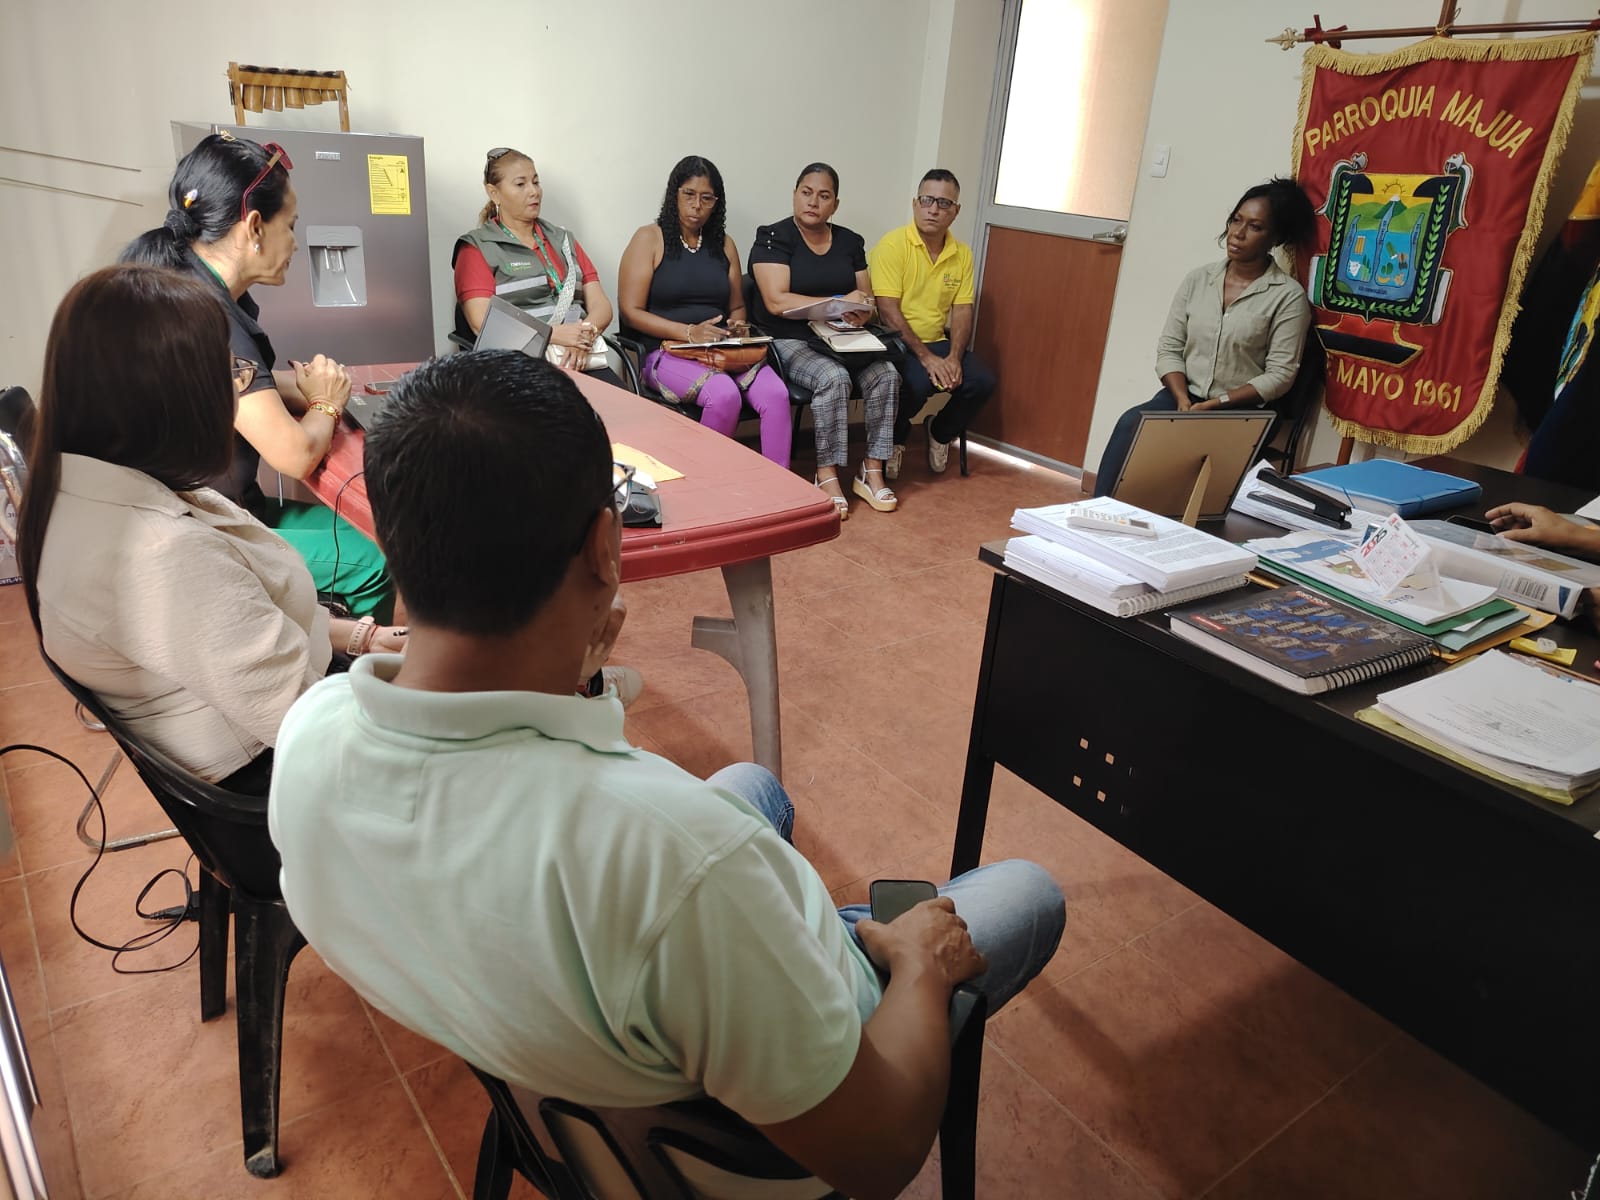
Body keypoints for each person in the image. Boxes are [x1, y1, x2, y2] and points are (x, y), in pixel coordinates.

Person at [267, 351, 1065, 1200]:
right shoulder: (676, 860)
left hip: (562, 1052)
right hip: (774, 1135)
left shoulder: (311, 736)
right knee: (1028, 892)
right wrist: (923, 967)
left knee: (753, 784)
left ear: (393, 539)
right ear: (607, 547)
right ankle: (871, 944)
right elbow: (879, 1154)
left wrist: (567, 680)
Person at [15, 265, 407, 789]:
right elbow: (314, 727)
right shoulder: (161, 554)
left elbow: (248, 630)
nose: (237, 389)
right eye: (230, 373)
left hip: (280, 710)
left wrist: (361, 637)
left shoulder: (86, 480)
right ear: (170, 399)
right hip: (277, 769)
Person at [121, 131, 393, 620]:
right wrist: (326, 404)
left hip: (215, 511)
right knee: (383, 560)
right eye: (290, 225)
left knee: (380, 534)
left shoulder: (189, 287)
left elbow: (242, 394)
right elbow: (294, 455)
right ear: (254, 226)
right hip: (202, 535)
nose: (295, 242)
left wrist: (315, 390)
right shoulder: (208, 320)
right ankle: (358, 655)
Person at [1092, 177, 1315, 496]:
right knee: (1131, 424)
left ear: (1275, 238)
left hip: (1241, 411)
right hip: (1183, 397)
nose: (1238, 233)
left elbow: (1280, 376)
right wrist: (1182, 398)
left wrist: (1217, 403)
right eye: (1236, 220)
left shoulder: (1287, 297)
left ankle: (1173, 522)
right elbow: (1170, 349)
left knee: (1189, 455)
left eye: (1255, 227)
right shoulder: (1198, 280)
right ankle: (1099, 513)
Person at [617, 155, 792, 467]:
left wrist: (738, 327)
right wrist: (688, 332)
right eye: (689, 194)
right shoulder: (650, 238)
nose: (697, 205)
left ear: (716, 203)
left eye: (706, 198)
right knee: (723, 394)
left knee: (776, 395)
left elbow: (736, 306)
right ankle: (707, 483)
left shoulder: (724, 244)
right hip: (667, 351)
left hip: (721, 350)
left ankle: (779, 489)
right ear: (674, 195)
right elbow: (631, 311)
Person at [750, 163, 900, 518]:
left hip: (842, 336)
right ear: (794, 194)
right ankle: (826, 473)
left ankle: (871, 470)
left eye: (824, 195)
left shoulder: (850, 242)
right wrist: (835, 302)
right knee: (833, 378)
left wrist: (861, 311)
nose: (813, 202)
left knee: (887, 375)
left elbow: (866, 299)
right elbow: (776, 301)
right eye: (806, 192)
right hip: (790, 339)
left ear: (835, 204)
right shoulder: (773, 237)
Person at [452, 146, 624, 388]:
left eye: (536, 182)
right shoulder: (477, 248)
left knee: (627, 408)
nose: (534, 191)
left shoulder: (563, 239)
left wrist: (583, 336)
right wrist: (554, 335)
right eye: (520, 184)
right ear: (494, 193)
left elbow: (601, 306)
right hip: (523, 365)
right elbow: (481, 322)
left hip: (580, 357)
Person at [869, 169, 996, 480]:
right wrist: (927, 359)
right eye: (927, 200)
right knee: (916, 383)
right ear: (915, 204)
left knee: (982, 380)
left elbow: (962, 310)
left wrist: (953, 357)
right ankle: (895, 440)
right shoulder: (893, 245)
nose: (934, 209)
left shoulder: (961, 254)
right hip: (895, 342)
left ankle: (940, 432)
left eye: (943, 203)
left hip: (938, 342)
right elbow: (887, 310)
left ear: (956, 211)